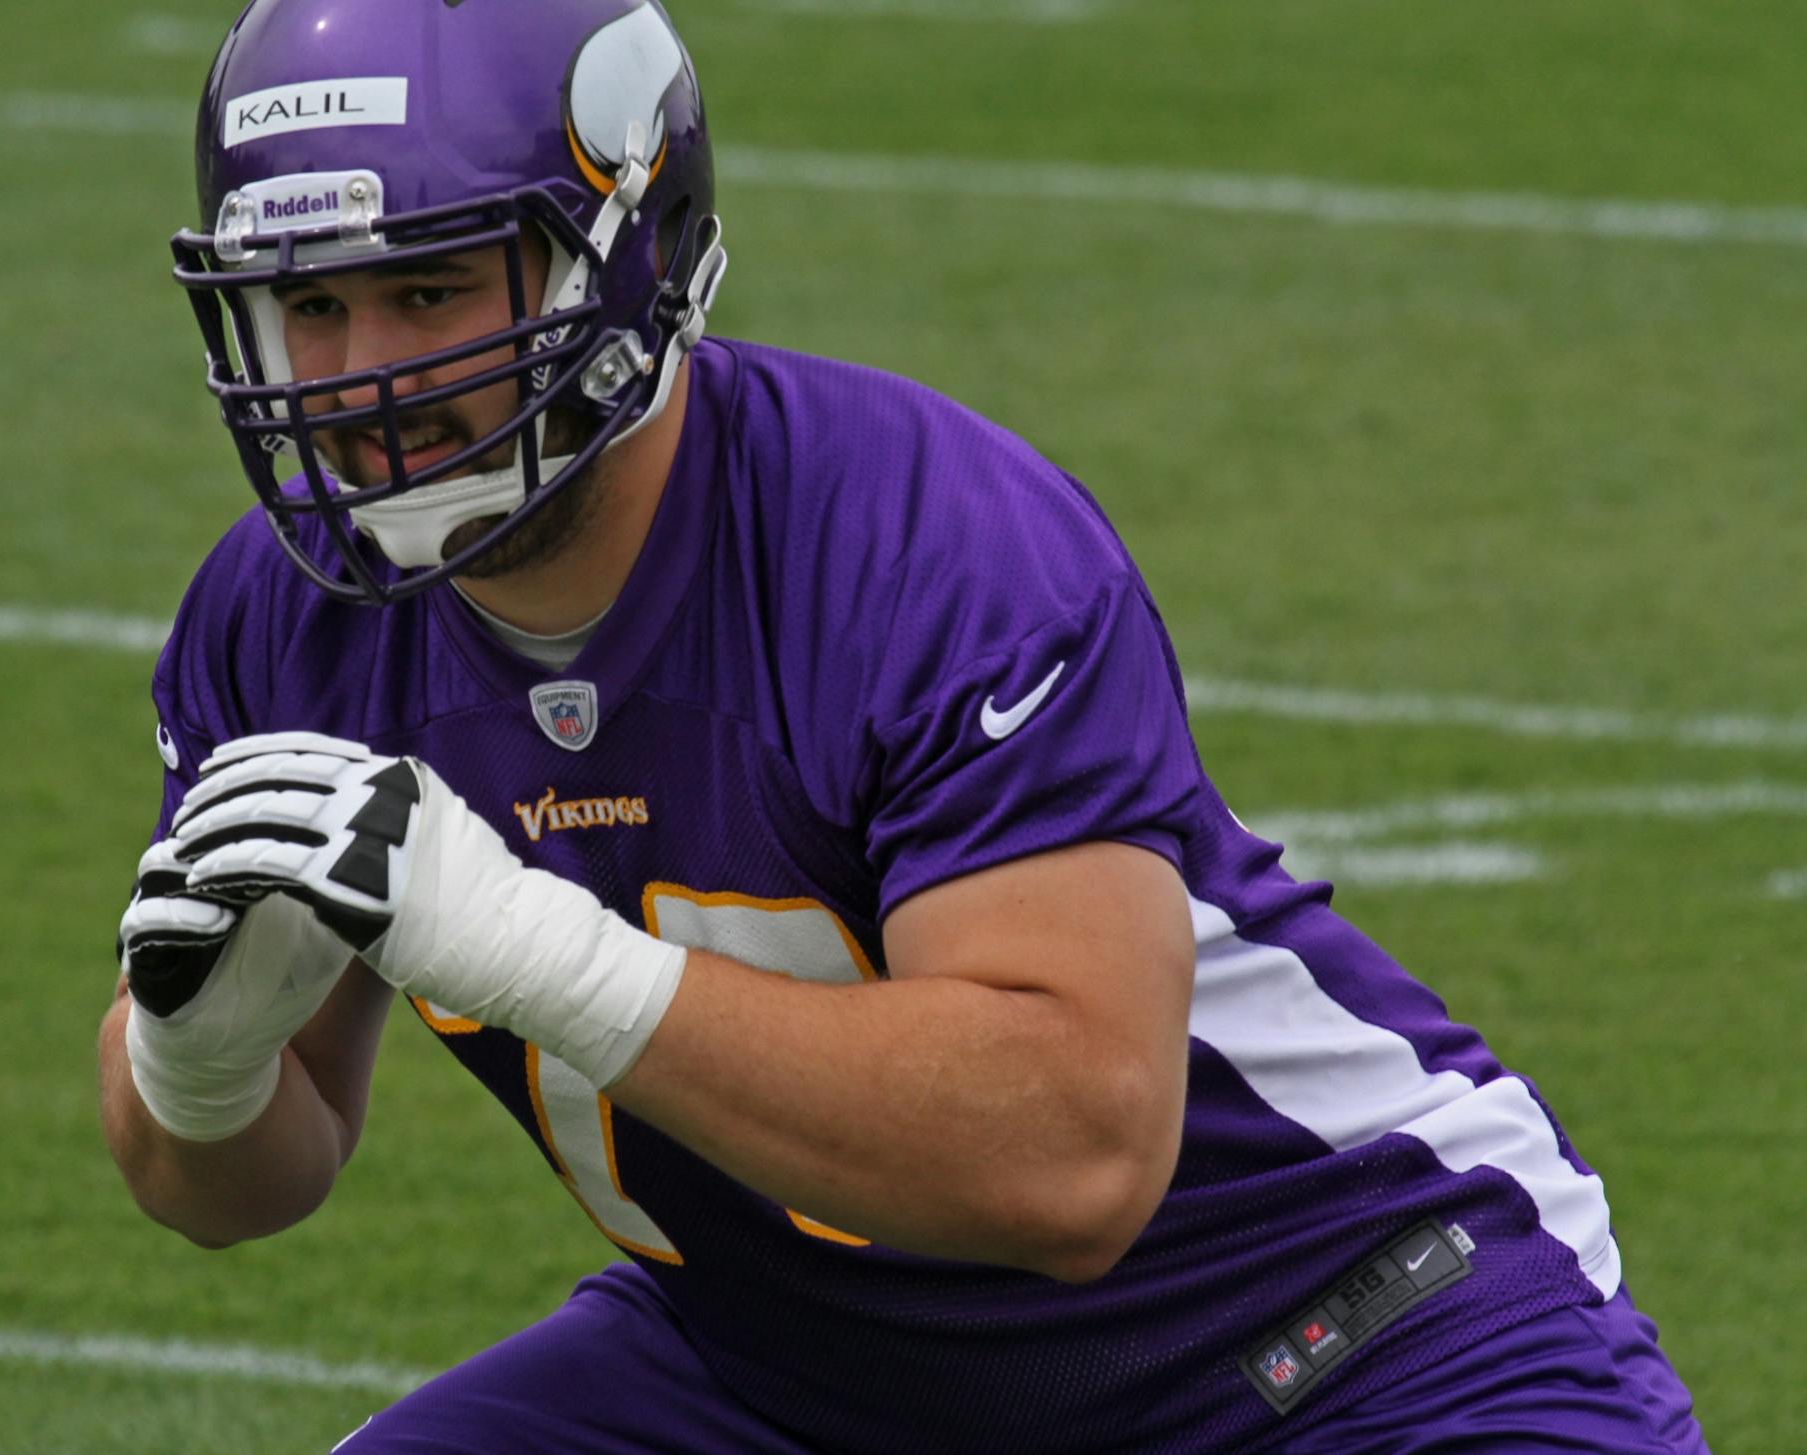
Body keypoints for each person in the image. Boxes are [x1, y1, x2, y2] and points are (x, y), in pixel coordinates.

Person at [96, 1, 1709, 1450]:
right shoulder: (280, 616)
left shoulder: (919, 536)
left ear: (629, 256)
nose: (358, 384)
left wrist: (513, 943)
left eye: (429, 288)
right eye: (311, 307)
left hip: (1333, 1340)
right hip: (802, 1376)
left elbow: (1070, 1163)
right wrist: (199, 1057)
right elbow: (226, 1190)